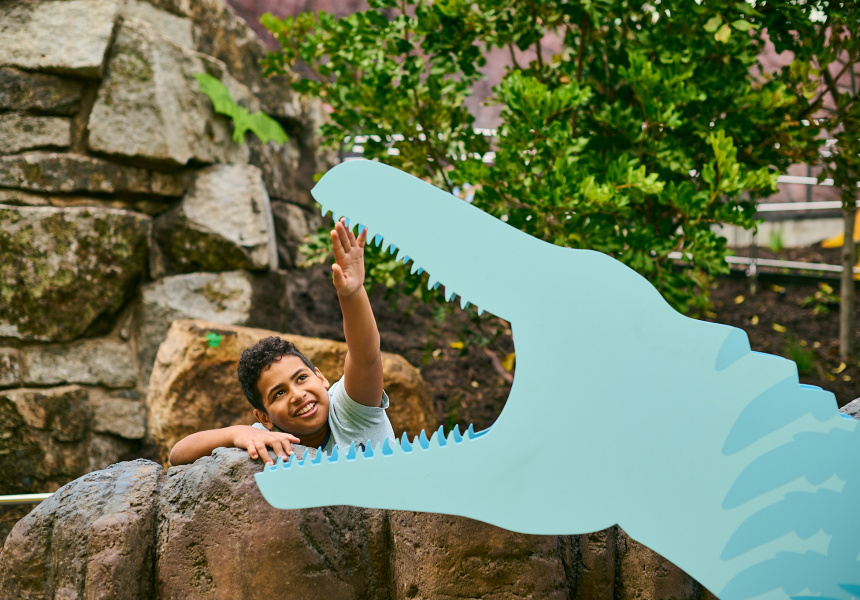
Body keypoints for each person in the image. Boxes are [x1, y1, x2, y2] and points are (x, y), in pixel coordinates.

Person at [168, 218, 395, 466]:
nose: (297, 395)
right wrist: (237, 433)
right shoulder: (266, 438)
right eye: (279, 393)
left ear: (320, 377)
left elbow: (365, 355)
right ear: (264, 417)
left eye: (301, 378)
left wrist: (351, 294)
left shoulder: (351, 410)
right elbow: (177, 455)